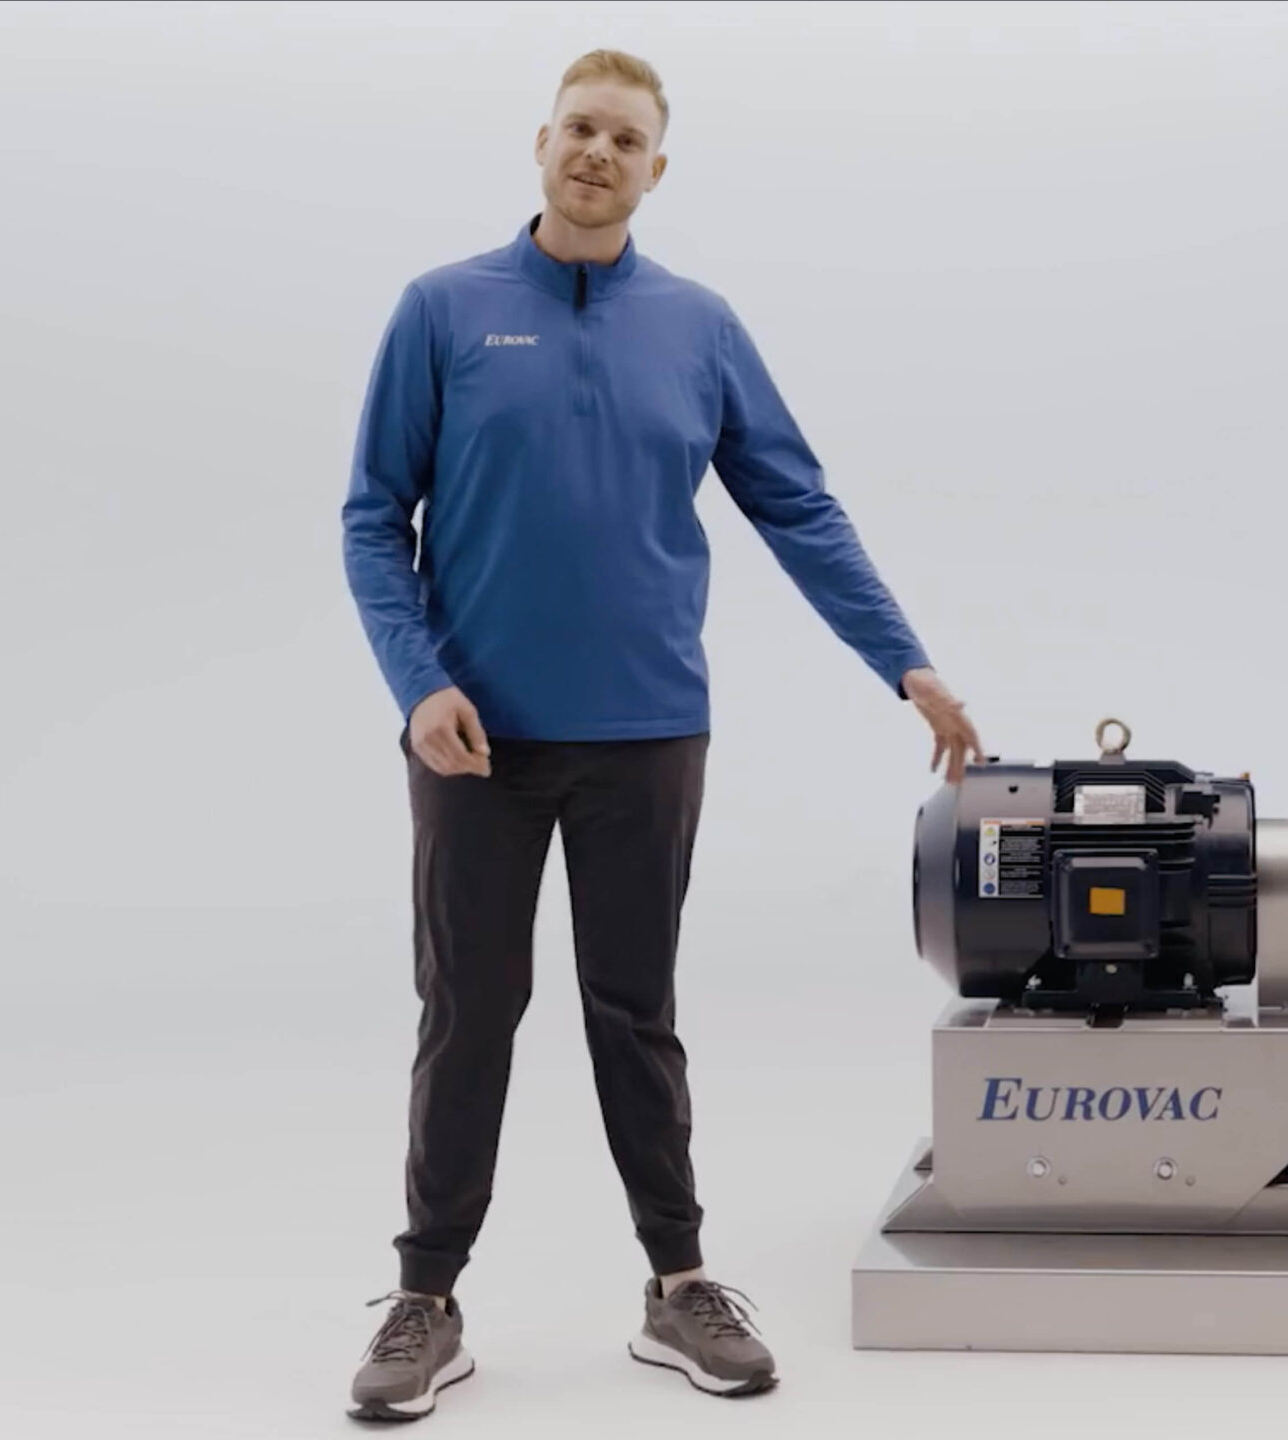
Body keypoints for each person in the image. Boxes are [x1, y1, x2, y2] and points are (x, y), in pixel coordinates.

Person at [336, 48, 982, 1420]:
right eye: (580, 128)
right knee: (470, 1012)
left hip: (646, 734)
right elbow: (369, 517)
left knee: (637, 1015)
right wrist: (416, 684)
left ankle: (679, 1283)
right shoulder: (444, 311)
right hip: (474, 744)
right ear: (541, 142)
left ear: (655, 168)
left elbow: (795, 506)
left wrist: (906, 665)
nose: (597, 153)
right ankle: (425, 1297)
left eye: (625, 138)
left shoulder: (699, 325)